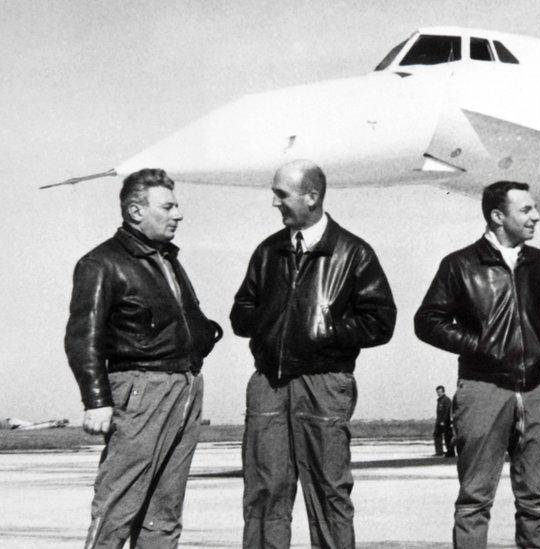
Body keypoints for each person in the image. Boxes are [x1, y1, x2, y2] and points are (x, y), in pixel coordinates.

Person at [230, 159, 397, 548]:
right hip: (268, 383)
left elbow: (380, 322)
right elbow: (241, 313)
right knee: (263, 491)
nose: (275, 203)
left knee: (328, 492)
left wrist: (323, 332)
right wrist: (275, 325)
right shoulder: (268, 252)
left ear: (312, 196)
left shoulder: (354, 253)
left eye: (281, 194)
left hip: (325, 385)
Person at [65, 168, 222, 548]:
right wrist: (97, 401)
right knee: (117, 505)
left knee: (164, 513)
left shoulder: (166, 259)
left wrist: (205, 334)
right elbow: (82, 337)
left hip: (184, 387)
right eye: (167, 206)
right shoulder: (101, 263)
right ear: (136, 212)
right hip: (139, 390)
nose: (178, 214)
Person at [415, 180, 540, 548]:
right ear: (498, 216)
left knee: (536, 500)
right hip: (483, 389)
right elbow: (427, 321)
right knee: (474, 500)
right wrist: (482, 345)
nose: (537, 216)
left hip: (538, 390)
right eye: (526, 210)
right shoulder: (460, 264)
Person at [434, 385, 455, 457]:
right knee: (437, 435)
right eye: (437, 392)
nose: (438, 393)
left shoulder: (447, 400)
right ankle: (439, 452)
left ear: (443, 391)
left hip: (446, 422)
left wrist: (444, 421)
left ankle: (450, 451)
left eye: (439, 392)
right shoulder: (439, 400)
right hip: (439, 421)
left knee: (448, 437)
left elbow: (447, 411)